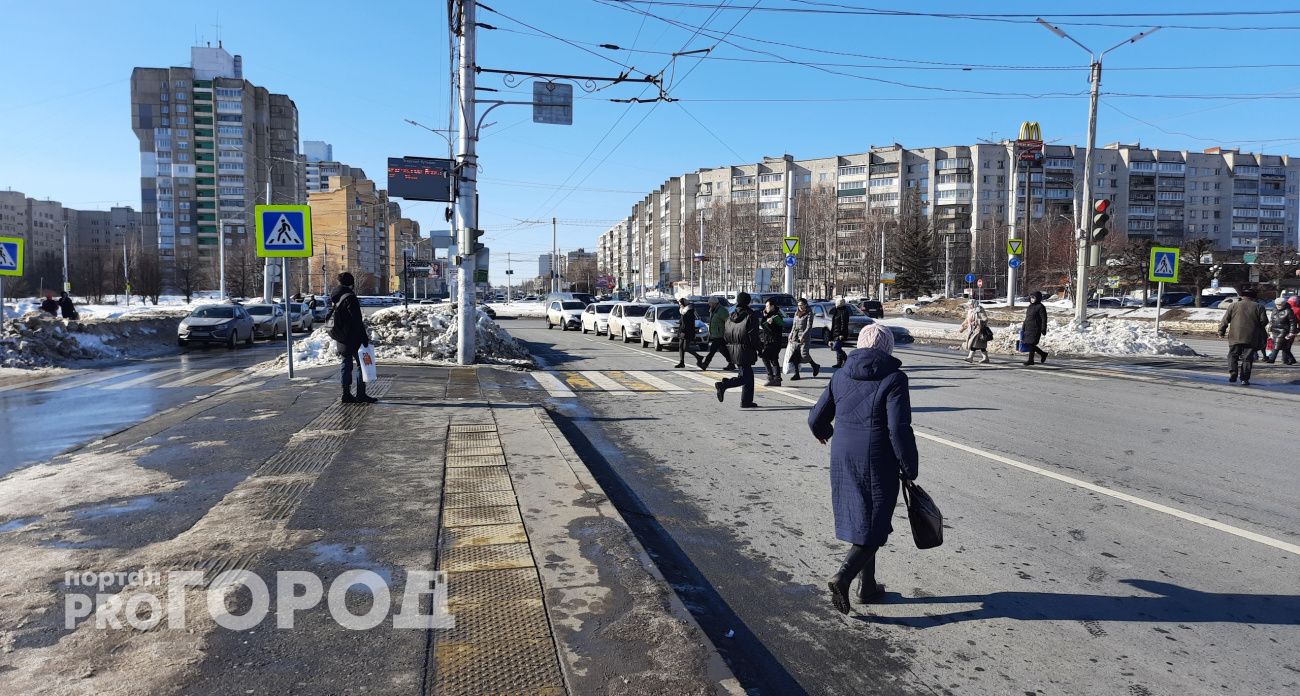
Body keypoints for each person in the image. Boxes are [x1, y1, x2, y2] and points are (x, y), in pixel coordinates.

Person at [808, 323, 918, 614]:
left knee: (864, 518)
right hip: (877, 457)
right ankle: (843, 577)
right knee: (876, 523)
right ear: (888, 348)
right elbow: (898, 428)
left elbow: (816, 417)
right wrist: (909, 466)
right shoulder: (894, 378)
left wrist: (824, 431)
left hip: (842, 454)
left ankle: (866, 587)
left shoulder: (841, 374)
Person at [327, 272, 377, 404]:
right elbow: (357, 320)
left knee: (346, 364)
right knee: (361, 365)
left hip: (341, 337)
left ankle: (346, 394)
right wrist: (364, 338)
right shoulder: (350, 298)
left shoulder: (335, 296)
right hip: (353, 337)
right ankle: (361, 394)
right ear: (352, 284)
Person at [715, 291, 759, 408]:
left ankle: (746, 401)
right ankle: (723, 385)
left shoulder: (731, 315)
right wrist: (760, 348)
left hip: (733, 349)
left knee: (748, 376)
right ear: (748, 302)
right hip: (746, 349)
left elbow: (726, 335)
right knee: (745, 377)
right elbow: (753, 336)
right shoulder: (751, 315)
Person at [1218, 287, 1269, 385]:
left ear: (1242, 296)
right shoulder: (1259, 307)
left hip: (1235, 336)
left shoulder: (1233, 305)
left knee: (1232, 355)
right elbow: (1264, 322)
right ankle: (1244, 378)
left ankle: (1233, 372)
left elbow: (1225, 320)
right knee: (1247, 358)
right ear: (1254, 297)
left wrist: (1221, 332)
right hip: (1251, 337)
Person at [788, 298, 820, 380]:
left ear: (805, 304)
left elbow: (809, 326)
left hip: (804, 337)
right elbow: (794, 325)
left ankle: (815, 365)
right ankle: (796, 374)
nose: (800, 307)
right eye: (798, 305)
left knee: (804, 355)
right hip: (795, 336)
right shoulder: (797, 313)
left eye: (802, 305)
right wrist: (791, 334)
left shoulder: (809, 313)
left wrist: (803, 336)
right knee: (795, 355)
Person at [699, 296, 734, 371]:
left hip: (720, 334)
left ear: (714, 303)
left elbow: (728, 322)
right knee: (723, 350)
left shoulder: (722, 310)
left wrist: (727, 333)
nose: (709, 305)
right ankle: (731, 363)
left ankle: (705, 364)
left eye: (710, 303)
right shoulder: (713, 310)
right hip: (716, 334)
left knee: (712, 350)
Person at [759, 299, 785, 387]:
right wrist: (764, 316)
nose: (766, 308)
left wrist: (770, 323)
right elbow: (762, 325)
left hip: (774, 341)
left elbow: (776, 329)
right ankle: (776, 378)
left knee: (765, 357)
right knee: (773, 359)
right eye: (765, 306)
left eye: (767, 306)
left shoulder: (777, 316)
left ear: (772, 306)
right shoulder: (768, 315)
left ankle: (771, 377)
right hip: (768, 341)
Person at [1264, 299, 1298, 365]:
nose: (1278, 306)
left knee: (1277, 344)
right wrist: (1269, 330)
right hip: (1274, 330)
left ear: (1284, 304)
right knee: (1285, 347)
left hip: (1284, 331)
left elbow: (1293, 323)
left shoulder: (1288, 311)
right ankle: (1292, 359)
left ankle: (1272, 359)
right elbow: (1271, 321)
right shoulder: (1274, 310)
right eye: (1277, 304)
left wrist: (1291, 332)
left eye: (1280, 304)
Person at [674, 297, 704, 369]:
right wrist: (679, 323)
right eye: (679, 304)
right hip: (682, 331)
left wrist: (683, 326)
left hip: (688, 331)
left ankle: (698, 357)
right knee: (680, 347)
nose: (680, 305)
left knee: (686, 348)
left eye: (681, 304)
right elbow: (683, 320)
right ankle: (681, 362)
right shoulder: (683, 310)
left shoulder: (689, 311)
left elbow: (689, 322)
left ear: (684, 304)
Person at [1021, 291, 1048, 366]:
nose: (1032, 299)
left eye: (1034, 298)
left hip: (1036, 329)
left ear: (1038, 298)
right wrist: (1023, 327)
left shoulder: (1041, 307)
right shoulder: (1030, 306)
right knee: (1029, 344)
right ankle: (1043, 354)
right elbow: (1027, 318)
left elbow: (1044, 319)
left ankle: (1031, 360)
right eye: (1031, 298)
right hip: (1028, 328)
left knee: (1032, 344)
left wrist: (1043, 328)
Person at [829, 297, 852, 368]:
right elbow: (833, 323)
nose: (836, 304)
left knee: (836, 347)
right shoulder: (836, 311)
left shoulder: (844, 311)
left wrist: (841, 334)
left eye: (838, 303)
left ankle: (846, 359)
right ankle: (839, 363)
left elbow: (844, 324)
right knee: (836, 347)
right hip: (835, 332)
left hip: (840, 333)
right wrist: (831, 336)